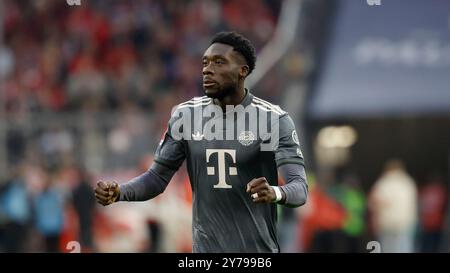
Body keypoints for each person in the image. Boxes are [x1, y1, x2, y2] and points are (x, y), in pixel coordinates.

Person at [94, 31, 308, 253]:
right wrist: (120, 192)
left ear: (242, 71)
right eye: (205, 62)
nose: (207, 69)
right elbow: (157, 179)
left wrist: (275, 192)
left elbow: (299, 188)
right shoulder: (186, 116)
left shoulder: (273, 119)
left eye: (219, 62)